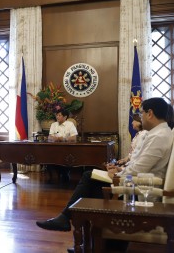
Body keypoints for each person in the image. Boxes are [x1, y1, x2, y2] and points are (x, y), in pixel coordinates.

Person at [36, 97, 174, 233]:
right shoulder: (157, 133)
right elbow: (139, 164)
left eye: (141, 113)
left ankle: (68, 222)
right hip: (133, 184)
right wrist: (120, 168)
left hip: (138, 193)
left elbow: (139, 169)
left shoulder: (159, 137)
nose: (140, 118)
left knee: (88, 180)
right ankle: (72, 226)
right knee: (89, 178)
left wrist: (117, 175)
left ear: (150, 113)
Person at [47, 109, 78, 182]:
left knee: (66, 158)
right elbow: (50, 137)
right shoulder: (53, 124)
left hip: (67, 148)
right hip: (55, 149)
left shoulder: (70, 124)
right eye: (56, 115)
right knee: (49, 157)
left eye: (59, 115)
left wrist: (64, 139)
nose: (57, 117)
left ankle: (65, 174)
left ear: (65, 117)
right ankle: (58, 175)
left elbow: (74, 138)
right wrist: (56, 138)